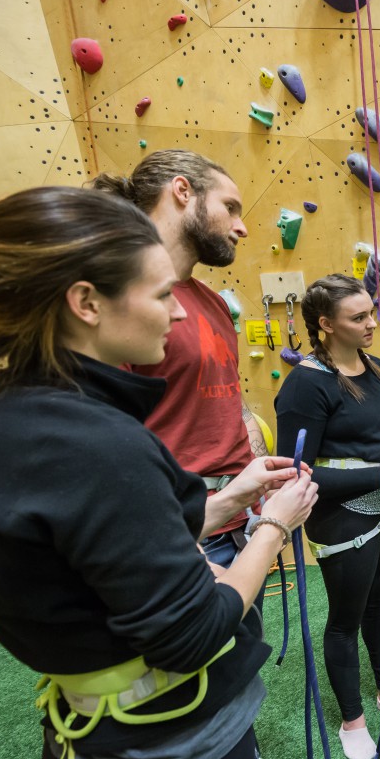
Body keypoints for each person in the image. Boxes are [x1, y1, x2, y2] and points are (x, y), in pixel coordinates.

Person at [0, 187, 323, 759]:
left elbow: (114, 545)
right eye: (160, 296)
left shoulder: (14, 418)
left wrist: (228, 500)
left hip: (114, 744)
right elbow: (194, 634)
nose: (177, 315)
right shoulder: (94, 444)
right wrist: (274, 528)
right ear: (86, 303)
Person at [274, 274, 380, 759]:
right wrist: (378, 476)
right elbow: (295, 473)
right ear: (326, 325)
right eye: (359, 317)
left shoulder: (373, 366)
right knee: (345, 621)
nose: (372, 324)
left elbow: (379, 430)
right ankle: (352, 722)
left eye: (371, 312)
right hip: (342, 517)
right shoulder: (305, 385)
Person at [92, 150, 265, 569]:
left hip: (240, 520)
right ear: (183, 191)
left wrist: (260, 482)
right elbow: (105, 439)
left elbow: (231, 401)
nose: (241, 227)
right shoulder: (120, 300)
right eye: (230, 208)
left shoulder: (213, 303)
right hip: (177, 529)